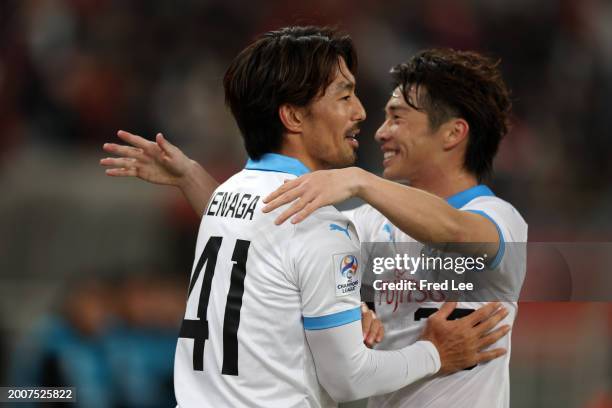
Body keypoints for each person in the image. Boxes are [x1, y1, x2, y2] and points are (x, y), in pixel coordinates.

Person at [101, 28, 510, 407]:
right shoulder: (320, 224)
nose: (362, 113)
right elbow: (348, 378)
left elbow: (263, 241)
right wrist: (435, 353)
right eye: (344, 95)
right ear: (294, 117)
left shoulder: (227, 196)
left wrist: (191, 176)